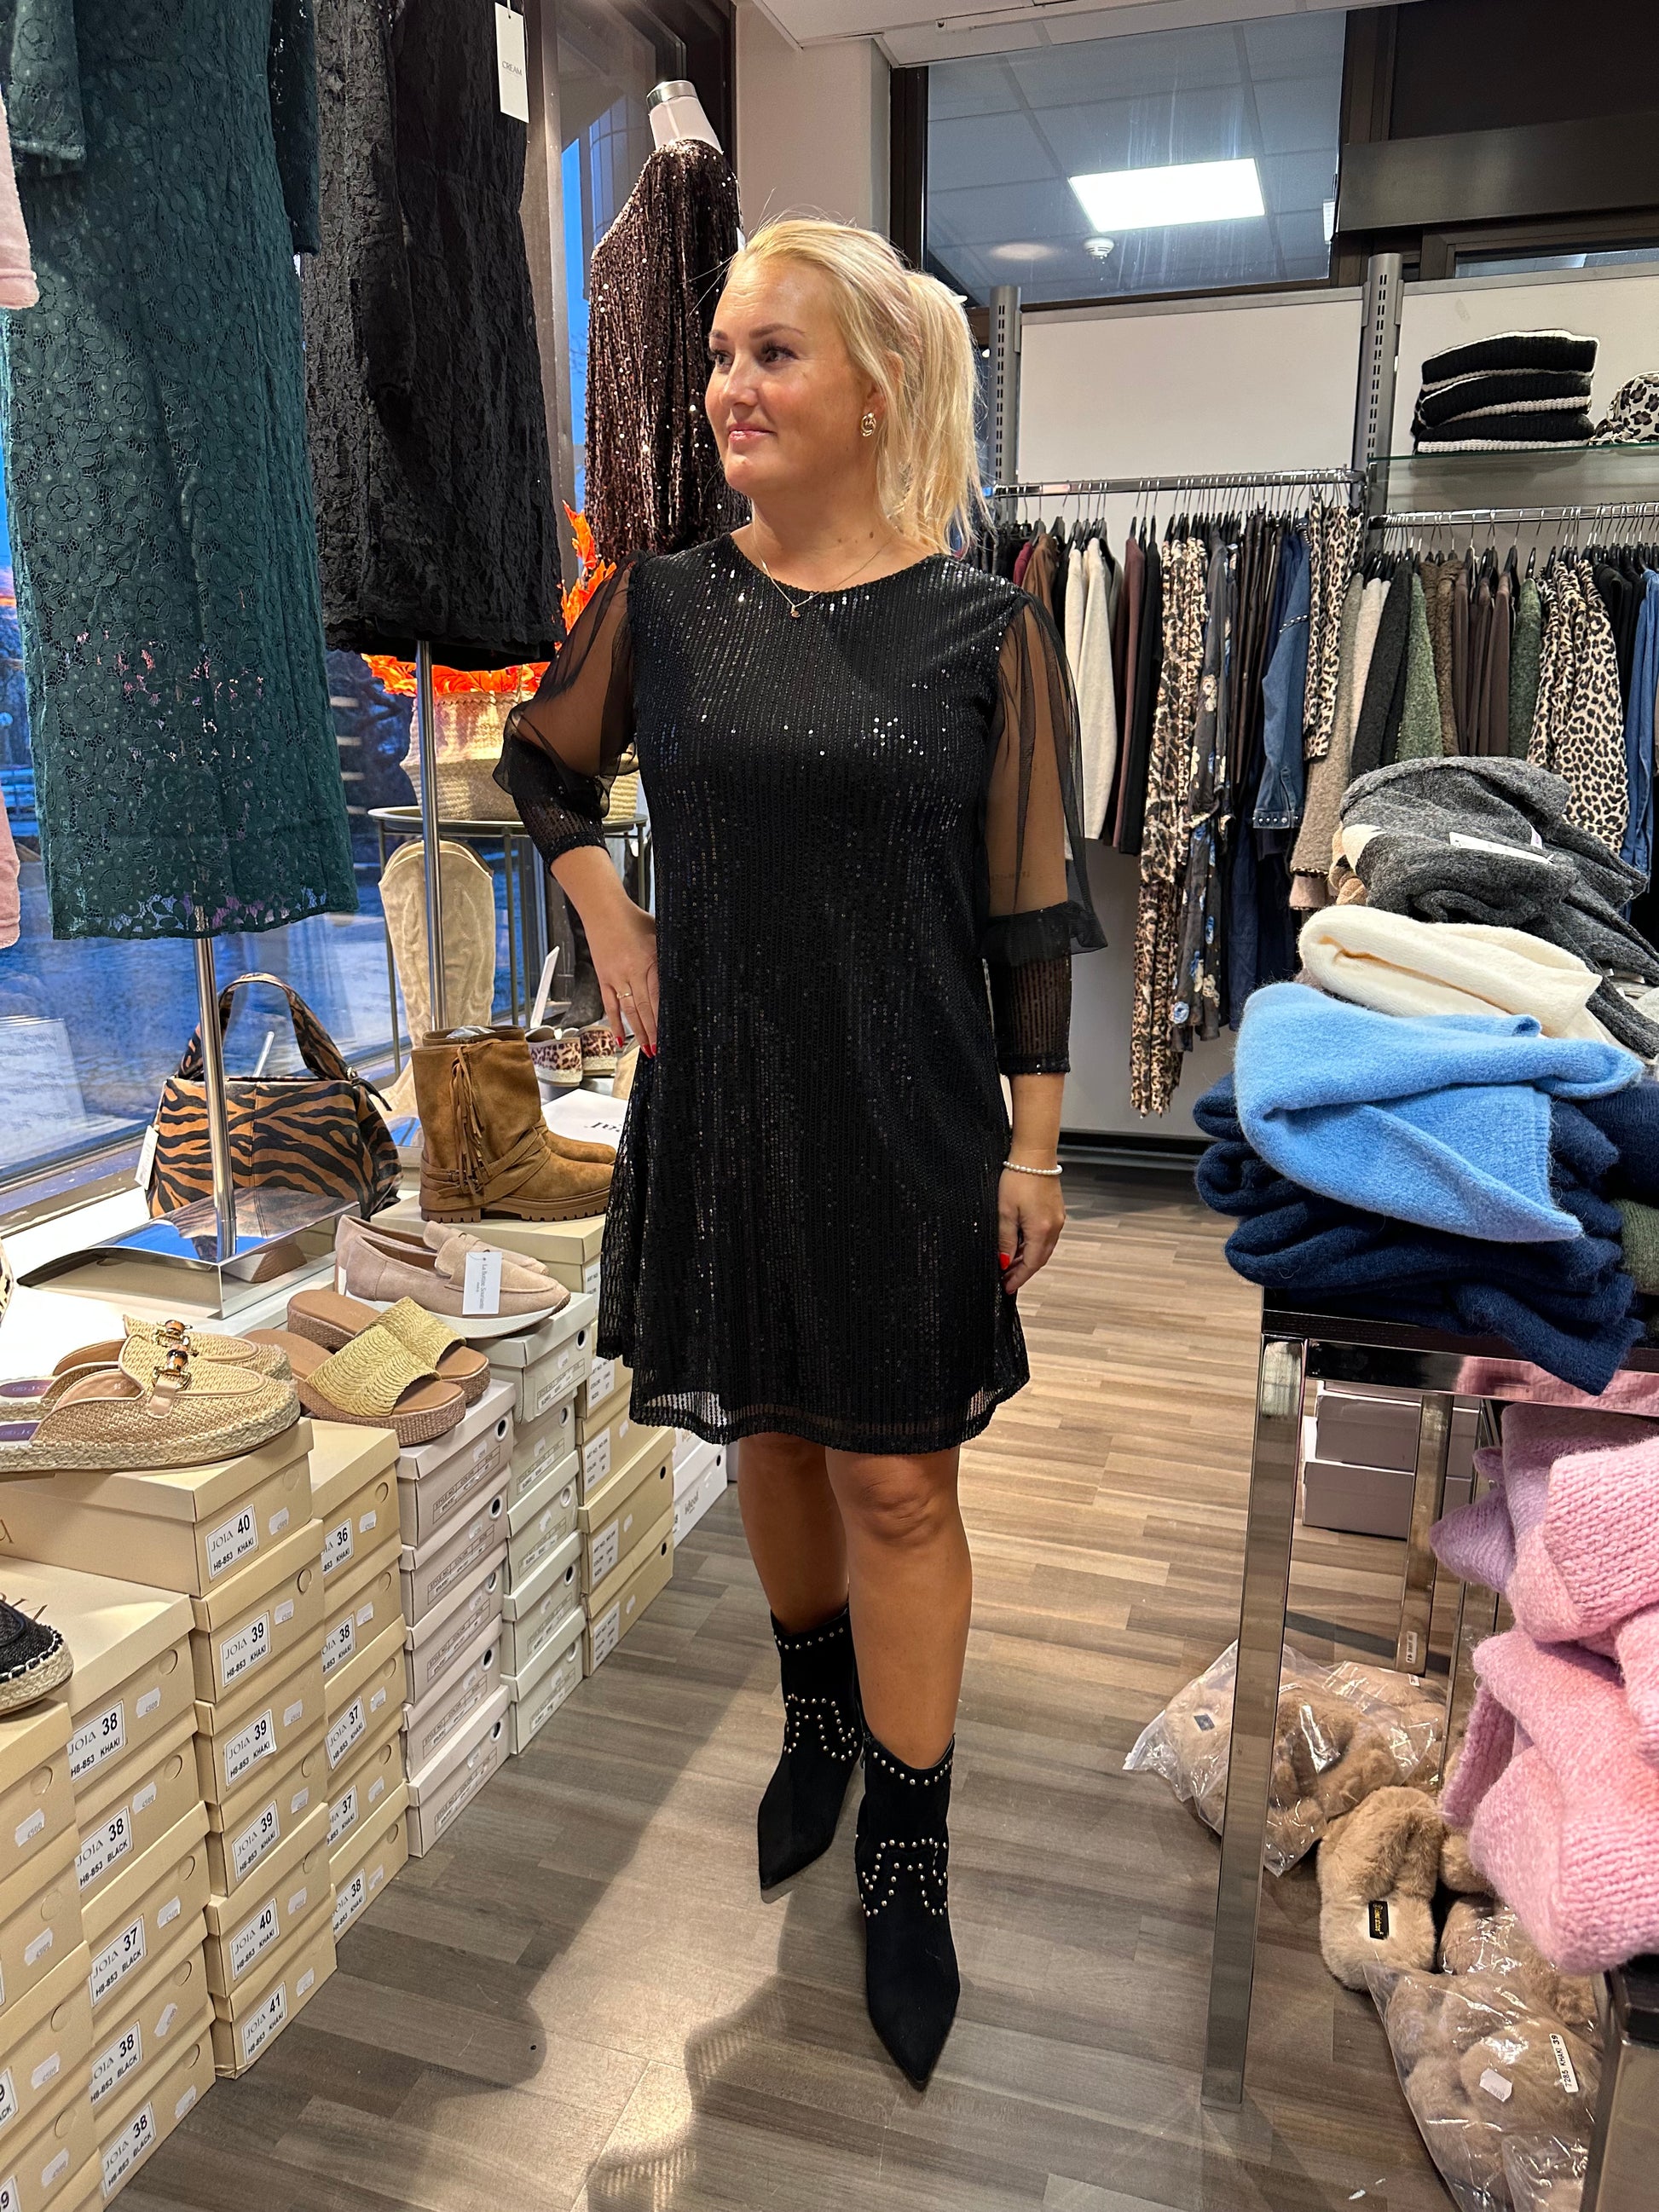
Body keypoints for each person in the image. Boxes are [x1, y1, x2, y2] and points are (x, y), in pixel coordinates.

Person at [497, 217, 1102, 2085]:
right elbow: (540, 766)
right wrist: (608, 910)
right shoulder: (664, 605)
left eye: (773, 353)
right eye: (721, 354)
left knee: (898, 1485)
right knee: (764, 1428)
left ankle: (908, 1859)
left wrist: (1036, 1147)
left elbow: (1026, 909)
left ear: (878, 389)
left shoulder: (987, 629)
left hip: (911, 1113)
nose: (728, 388)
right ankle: (814, 1716)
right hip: (729, 1102)